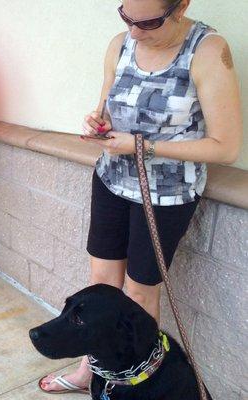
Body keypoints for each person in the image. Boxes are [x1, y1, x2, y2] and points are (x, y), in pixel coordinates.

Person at [39, 0, 242, 394]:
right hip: (112, 180)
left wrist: (145, 147)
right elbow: (107, 107)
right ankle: (90, 371)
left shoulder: (207, 50)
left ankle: (135, 386)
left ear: (181, 7)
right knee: (100, 284)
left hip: (166, 195)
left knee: (138, 292)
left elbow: (226, 146)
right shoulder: (120, 44)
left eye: (147, 22)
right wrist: (99, 122)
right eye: (126, 18)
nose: (134, 32)